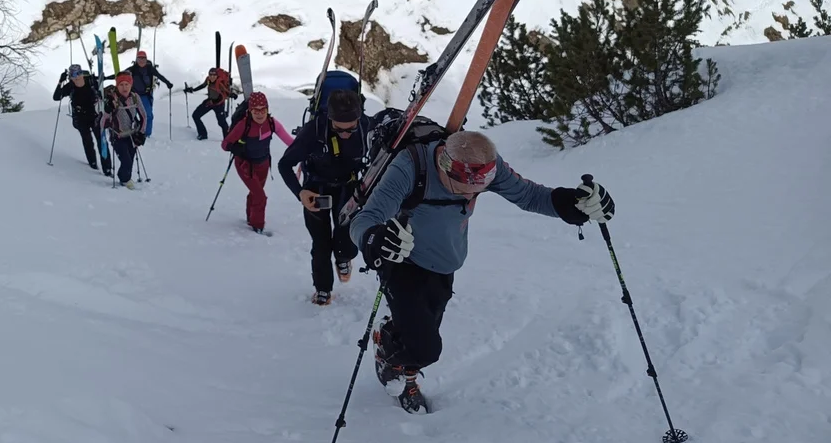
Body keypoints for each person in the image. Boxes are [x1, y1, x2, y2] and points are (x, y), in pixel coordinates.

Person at [347, 129, 616, 414]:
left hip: (446, 262)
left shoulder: (486, 167)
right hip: (402, 260)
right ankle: (391, 359)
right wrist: (375, 239)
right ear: (445, 166)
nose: (471, 196)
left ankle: (398, 345)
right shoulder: (410, 167)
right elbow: (364, 220)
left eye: (478, 190)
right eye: (463, 189)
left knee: (426, 327)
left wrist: (573, 205)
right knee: (426, 347)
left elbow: (528, 195)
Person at [278, 89, 372, 306]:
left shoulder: (366, 126)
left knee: (347, 239)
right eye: (340, 129)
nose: (347, 133)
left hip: (348, 188)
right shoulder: (313, 132)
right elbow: (284, 164)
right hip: (316, 189)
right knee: (320, 244)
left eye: (351, 128)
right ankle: (323, 288)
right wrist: (300, 192)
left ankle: (343, 258)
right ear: (330, 119)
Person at [221, 92, 294, 234]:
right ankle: (257, 226)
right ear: (250, 111)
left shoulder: (272, 123)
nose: (260, 114)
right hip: (245, 165)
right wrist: (233, 147)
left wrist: (305, 149)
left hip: (263, 163)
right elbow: (225, 144)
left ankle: (250, 217)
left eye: (263, 110)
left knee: (255, 192)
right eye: (256, 110)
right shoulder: (244, 125)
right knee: (260, 196)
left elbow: (290, 142)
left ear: (267, 109)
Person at [52, 64, 110, 174]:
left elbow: (102, 94)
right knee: (87, 141)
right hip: (80, 117)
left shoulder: (91, 82)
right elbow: (56, 97)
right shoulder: (70, 86)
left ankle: (107, 169)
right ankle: (93, 164)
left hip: (95, 116)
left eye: (78, 73)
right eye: (73, 75)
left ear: (82, 73)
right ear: (70, 76)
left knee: (101, 141)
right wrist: (60, 81)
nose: (77, 77)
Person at [106, 51, 173, 139]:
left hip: (146, 95)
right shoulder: (132, 69)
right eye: (139, 58)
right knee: (132, 114)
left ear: (146, 59)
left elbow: (159, 76)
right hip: (133, 96)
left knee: (148, 115)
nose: (141, 60)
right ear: (136, 59)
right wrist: (105, 78)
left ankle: (146, 134)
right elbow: (120, 75)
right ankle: (136, 130)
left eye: (143, 58)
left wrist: (167, 83)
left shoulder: (150, 69)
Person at [101, 71, 148, 188]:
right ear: (117, 86)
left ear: (131, 84)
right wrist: (108, 110)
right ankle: (125, 179)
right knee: (126, 160)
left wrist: (141, 134)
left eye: (127, 84)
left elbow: (143, 116)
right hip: (117, 136)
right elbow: (103, 123)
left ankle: (124, 178)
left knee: (130, 160)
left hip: (132, 135)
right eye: (121, 85)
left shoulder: (135, 98)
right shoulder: (112, 99)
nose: (124, 87)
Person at [183, 67, 233, 140]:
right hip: (210, 102)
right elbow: (203, 85)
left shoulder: (220, 83)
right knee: (195, 115)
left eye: (214, 75)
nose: (212, 77)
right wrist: (193, 90)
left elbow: (224, 95)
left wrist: (232, 95)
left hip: (219, 105)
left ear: (217, 76)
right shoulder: (208, 80)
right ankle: (203, 135)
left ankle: (228, 140)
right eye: (210, 75)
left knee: (222, 123)